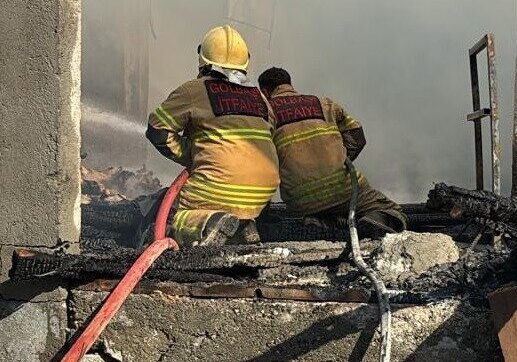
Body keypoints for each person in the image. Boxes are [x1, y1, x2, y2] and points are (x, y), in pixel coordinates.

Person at [145, 25, 279, 247]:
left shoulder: (193, 90)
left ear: (203, 58)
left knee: (165, 216)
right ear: (245, 61)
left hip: (217, 191)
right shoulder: (259, 97)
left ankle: (212, 222)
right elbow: (267, 138)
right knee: (240, 210)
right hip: (261, 198)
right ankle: (244, 225)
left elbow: (157, 130)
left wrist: (191, 154)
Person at [257, 66, 406, 236]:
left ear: (264, 91)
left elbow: (260, 160)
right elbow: (357, 135)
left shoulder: (264, 115)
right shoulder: (324, 103)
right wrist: (340, 159)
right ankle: (373, 220)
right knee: (390, 209)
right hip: (344, 189)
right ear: (289, 84)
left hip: (300, 201)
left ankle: (321, 221)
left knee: (314, 212)